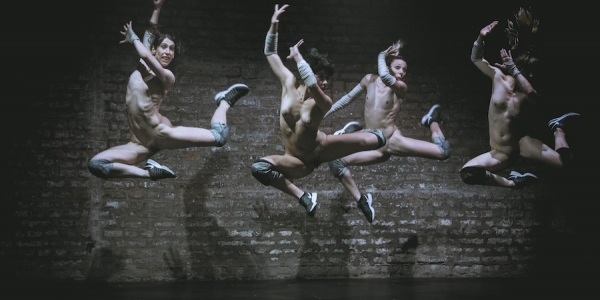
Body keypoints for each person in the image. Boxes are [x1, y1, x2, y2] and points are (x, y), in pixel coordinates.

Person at [88, 0, 249, 180]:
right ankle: (149, 173)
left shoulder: (167, 76)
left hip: (160, 133)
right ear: (155, 49)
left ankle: (224, 102)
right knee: (96, 165)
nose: (168, 52)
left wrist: (133, 37)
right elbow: (150, 33)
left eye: (172, 49)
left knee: (219, 137)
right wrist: (157, 8)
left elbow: (144, 53)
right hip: (139, 142)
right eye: (164, 47)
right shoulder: (143, 65)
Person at [251, 4, 387, 217]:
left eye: (326, 78)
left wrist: (299, 59)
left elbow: (313, 86)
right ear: (311, 73)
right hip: (298, 161)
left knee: (379, 139)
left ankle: (346, 142)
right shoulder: (289, 82)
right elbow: (269, 52)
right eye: (320, 76)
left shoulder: (322, 102)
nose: (324, 82)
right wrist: (273, 26)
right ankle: (304, 197)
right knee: (259, 168)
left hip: (323, 147)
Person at [324, 40, 451, 224]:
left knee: (443, 152)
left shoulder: (400, 87)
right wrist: (325, 113)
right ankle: (363, 202)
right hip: (373, 143)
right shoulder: (369, 80)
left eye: (404, 70)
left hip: (391, 140)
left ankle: (431, 121)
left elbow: (384, 76)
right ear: (390, 66)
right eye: (398, 67)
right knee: (336, 163)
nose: (402, 72)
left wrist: (380, 55)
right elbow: (347, 99)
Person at [460, 8, 579, 189]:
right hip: (500, 152)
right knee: (468, 172)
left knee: (566, 165)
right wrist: (481, 37)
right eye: (527, 71)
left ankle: (558, 129)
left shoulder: (530, 92)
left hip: (522, 145)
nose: (531, 75)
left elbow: (532, 95)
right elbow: (476, 58)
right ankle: (514, 182)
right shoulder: (498, 78)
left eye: (533, 73)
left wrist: (514, 69)